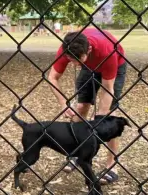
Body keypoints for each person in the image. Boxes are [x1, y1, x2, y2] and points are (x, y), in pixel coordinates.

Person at [48, 27, 127, 185]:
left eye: (78, 60)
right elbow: (52, 77)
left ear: (89, 49)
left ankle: (112, 165)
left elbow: (107, 89)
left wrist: (101, 118)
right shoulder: (67, 49)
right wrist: (63, 103)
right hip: (89, 65)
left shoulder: (107, 50)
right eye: (72, 61)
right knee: (81, 107)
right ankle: (78, 153)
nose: (75, 65)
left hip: (114, 64)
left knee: (109, 117)